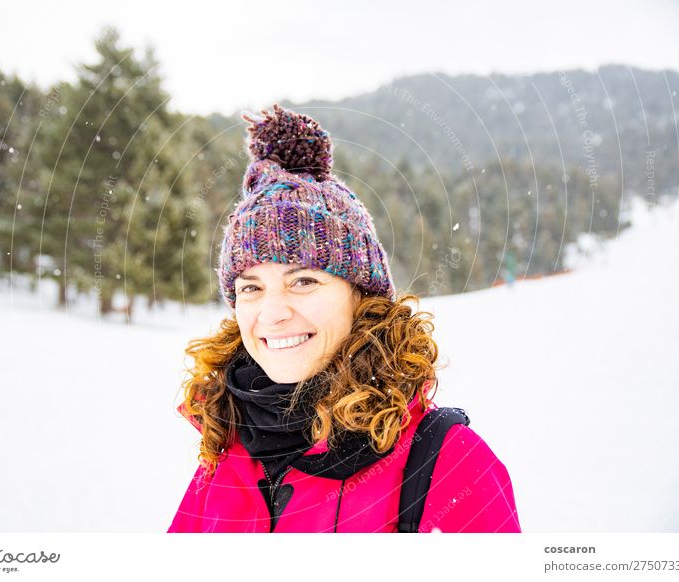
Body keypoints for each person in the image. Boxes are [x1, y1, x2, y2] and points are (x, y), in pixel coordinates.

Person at [167, 104, 520, 533]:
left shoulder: (448, 464)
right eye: (251, 288)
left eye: (303, 282)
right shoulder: (225, 449)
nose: (273, 313)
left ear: (361, 298)